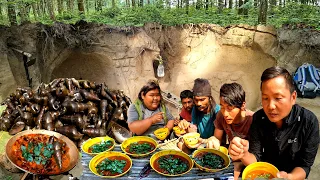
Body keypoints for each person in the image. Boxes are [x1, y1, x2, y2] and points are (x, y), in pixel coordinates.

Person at [229, 66, 319, 180]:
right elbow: (255, 159)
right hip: (264, 175)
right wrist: (243, 154)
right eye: (265, 98)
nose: (270, 106)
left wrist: (288, 177)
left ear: (293, 97)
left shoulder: (309, 122)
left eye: (278, 98)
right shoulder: (258, 118)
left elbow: (304, 166)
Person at [206, 82, 254, 179]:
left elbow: (257, 155)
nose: (225, 113)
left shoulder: (253, 120)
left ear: (242, 106)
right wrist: (213, 139)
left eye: (230, 108)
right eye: (222, 107)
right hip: (231, 156)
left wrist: (239, 163)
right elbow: (218, 138)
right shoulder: (221, 115)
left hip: (249, 159)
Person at [177, 78, 220, 152]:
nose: (198, 103)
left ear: (209, 98)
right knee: (181, 144)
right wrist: (187, 126)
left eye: (202, 100)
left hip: (212, 146)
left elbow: (217, 140)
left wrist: (202, 141)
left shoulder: (218, 112)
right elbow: (194, 129)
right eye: (196, 100)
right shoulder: (195, 109)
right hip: (200, 143)